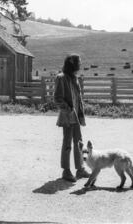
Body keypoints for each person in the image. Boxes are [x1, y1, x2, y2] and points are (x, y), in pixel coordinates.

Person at [54, 54, 91, 182]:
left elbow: (78, 99)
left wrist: (80, 114)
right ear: (72, 63)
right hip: (67, 116)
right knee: (67, 143)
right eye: (78, 62)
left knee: (79, 142)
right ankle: (66, 171)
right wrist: (68, 109)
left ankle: (80, 169)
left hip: (76, 116)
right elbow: (57, 98)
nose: (80, 65)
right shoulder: (61, 78)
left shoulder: (75, 78)